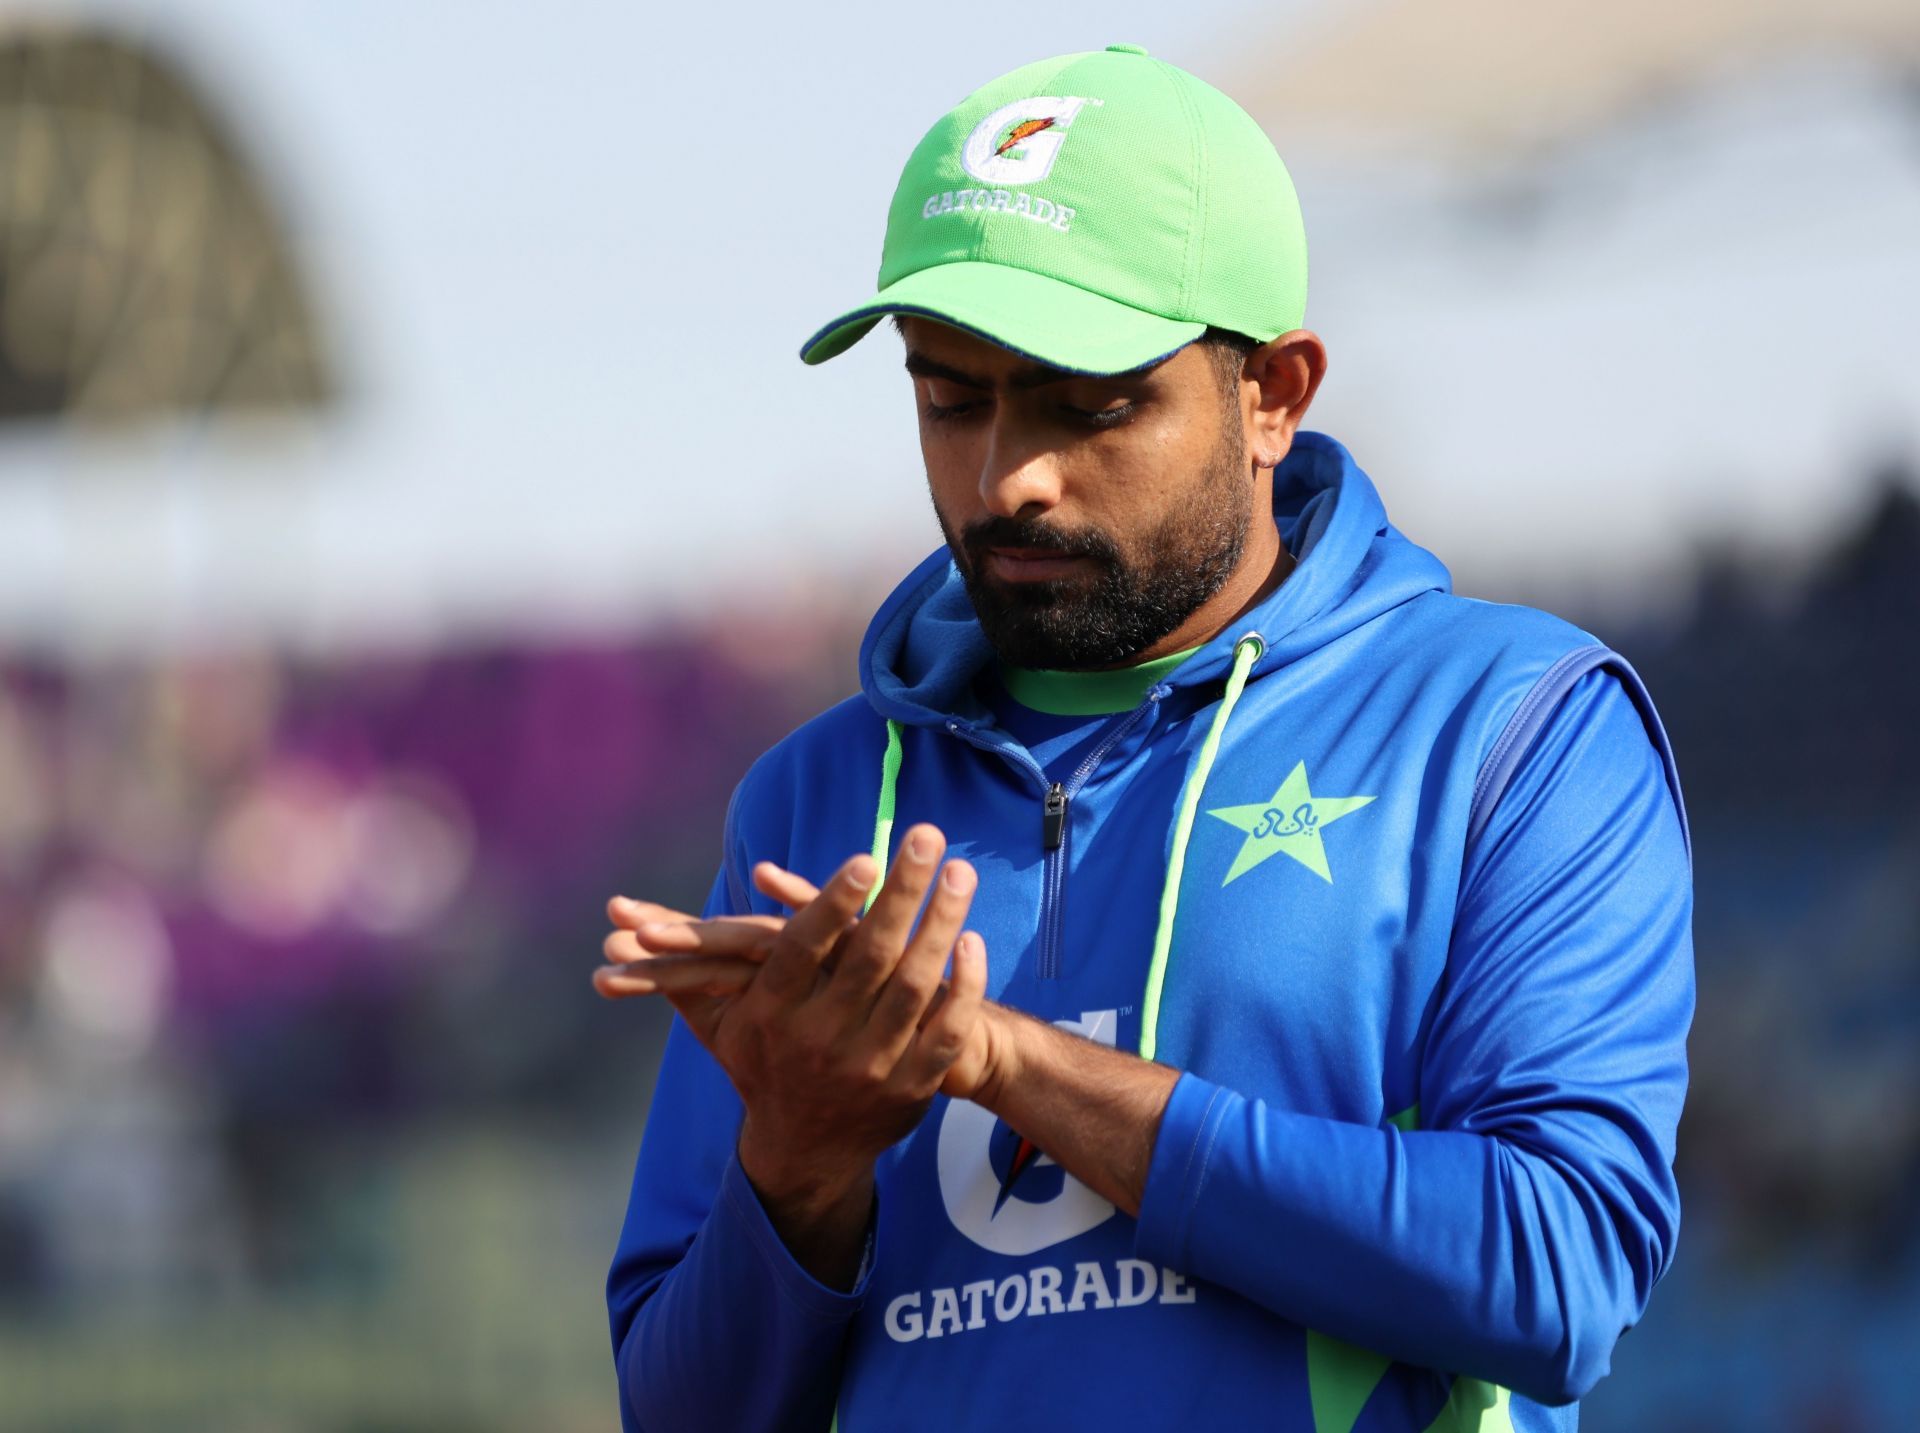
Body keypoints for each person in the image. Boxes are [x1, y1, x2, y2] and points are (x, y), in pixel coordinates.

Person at [596, 44, 1694, 1433]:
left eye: (1087, 403)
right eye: (950, 398)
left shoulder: (1508, 724)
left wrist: (1004, 1062)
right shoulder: (814, 798)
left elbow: (1558, 1273)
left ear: (1273, 393)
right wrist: (800, 1164)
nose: (1008, 476)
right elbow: (682, 1417)